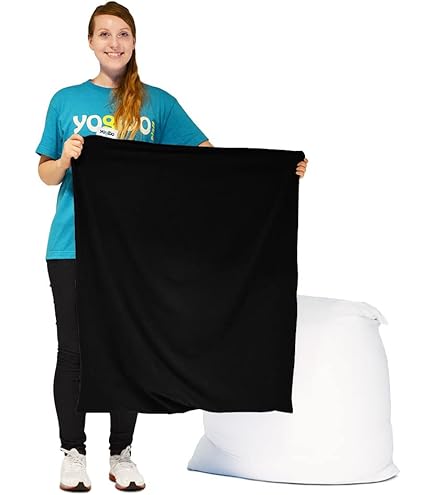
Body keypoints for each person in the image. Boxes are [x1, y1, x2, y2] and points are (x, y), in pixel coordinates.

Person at [36, 1, 308, 492]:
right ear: (90, 42)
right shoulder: (65, 100)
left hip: (134, 251)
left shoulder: (156, 103)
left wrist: (275, 173)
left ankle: (120, 453)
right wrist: (67, 157)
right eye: (104, 34)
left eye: (123, 33)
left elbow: (208, 162)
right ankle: (72, 452)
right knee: (75, 349)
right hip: (71, 245)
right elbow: (45, 173)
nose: (114, 42)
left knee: (125, 348)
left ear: (134, 41)